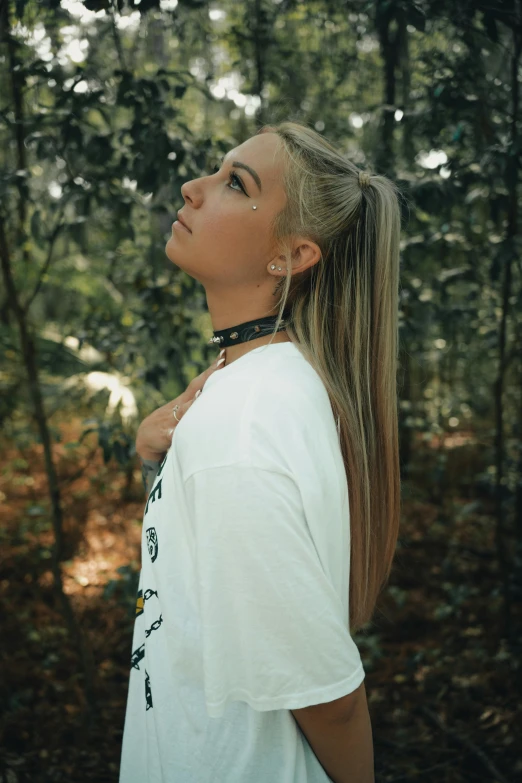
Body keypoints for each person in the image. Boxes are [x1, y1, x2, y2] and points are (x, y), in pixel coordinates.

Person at [119, 121, 402, 783]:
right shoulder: (280, 383)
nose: (192, 189)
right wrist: (156, 457)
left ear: (291, 256)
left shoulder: (239, 425)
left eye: (233, 183)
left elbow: (330, 699)